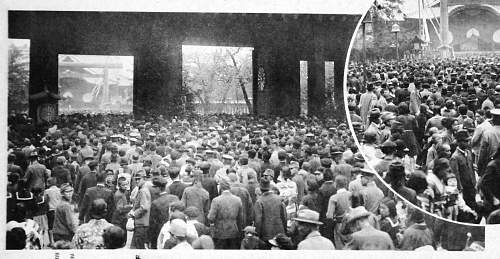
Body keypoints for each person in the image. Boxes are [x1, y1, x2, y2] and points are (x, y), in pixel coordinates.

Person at [207, 179, 244, 249]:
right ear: (229, 188)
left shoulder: (216, 200)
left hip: (219, 233)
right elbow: (240, 218)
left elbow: (210, 217)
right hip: (233, 231)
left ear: (220, 188)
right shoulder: (237, 199)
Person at [253, 178, 287, 243]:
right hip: (280, 233)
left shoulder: (259, 201)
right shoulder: (279, 199)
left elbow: (258, 221)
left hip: (266, 235)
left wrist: (257, 235)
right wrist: (284, 231)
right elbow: (284, 217)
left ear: (260, 189)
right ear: (269, 187)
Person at [129, 170, 151, 249]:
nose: (137, 181)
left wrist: (134, 214)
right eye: (136, 179)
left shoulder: (143, 190)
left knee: (139, 248)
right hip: (142, 222)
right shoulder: (143, 188)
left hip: (141, 223)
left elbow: (144, 207)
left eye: (139, 179)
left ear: (144, 178)